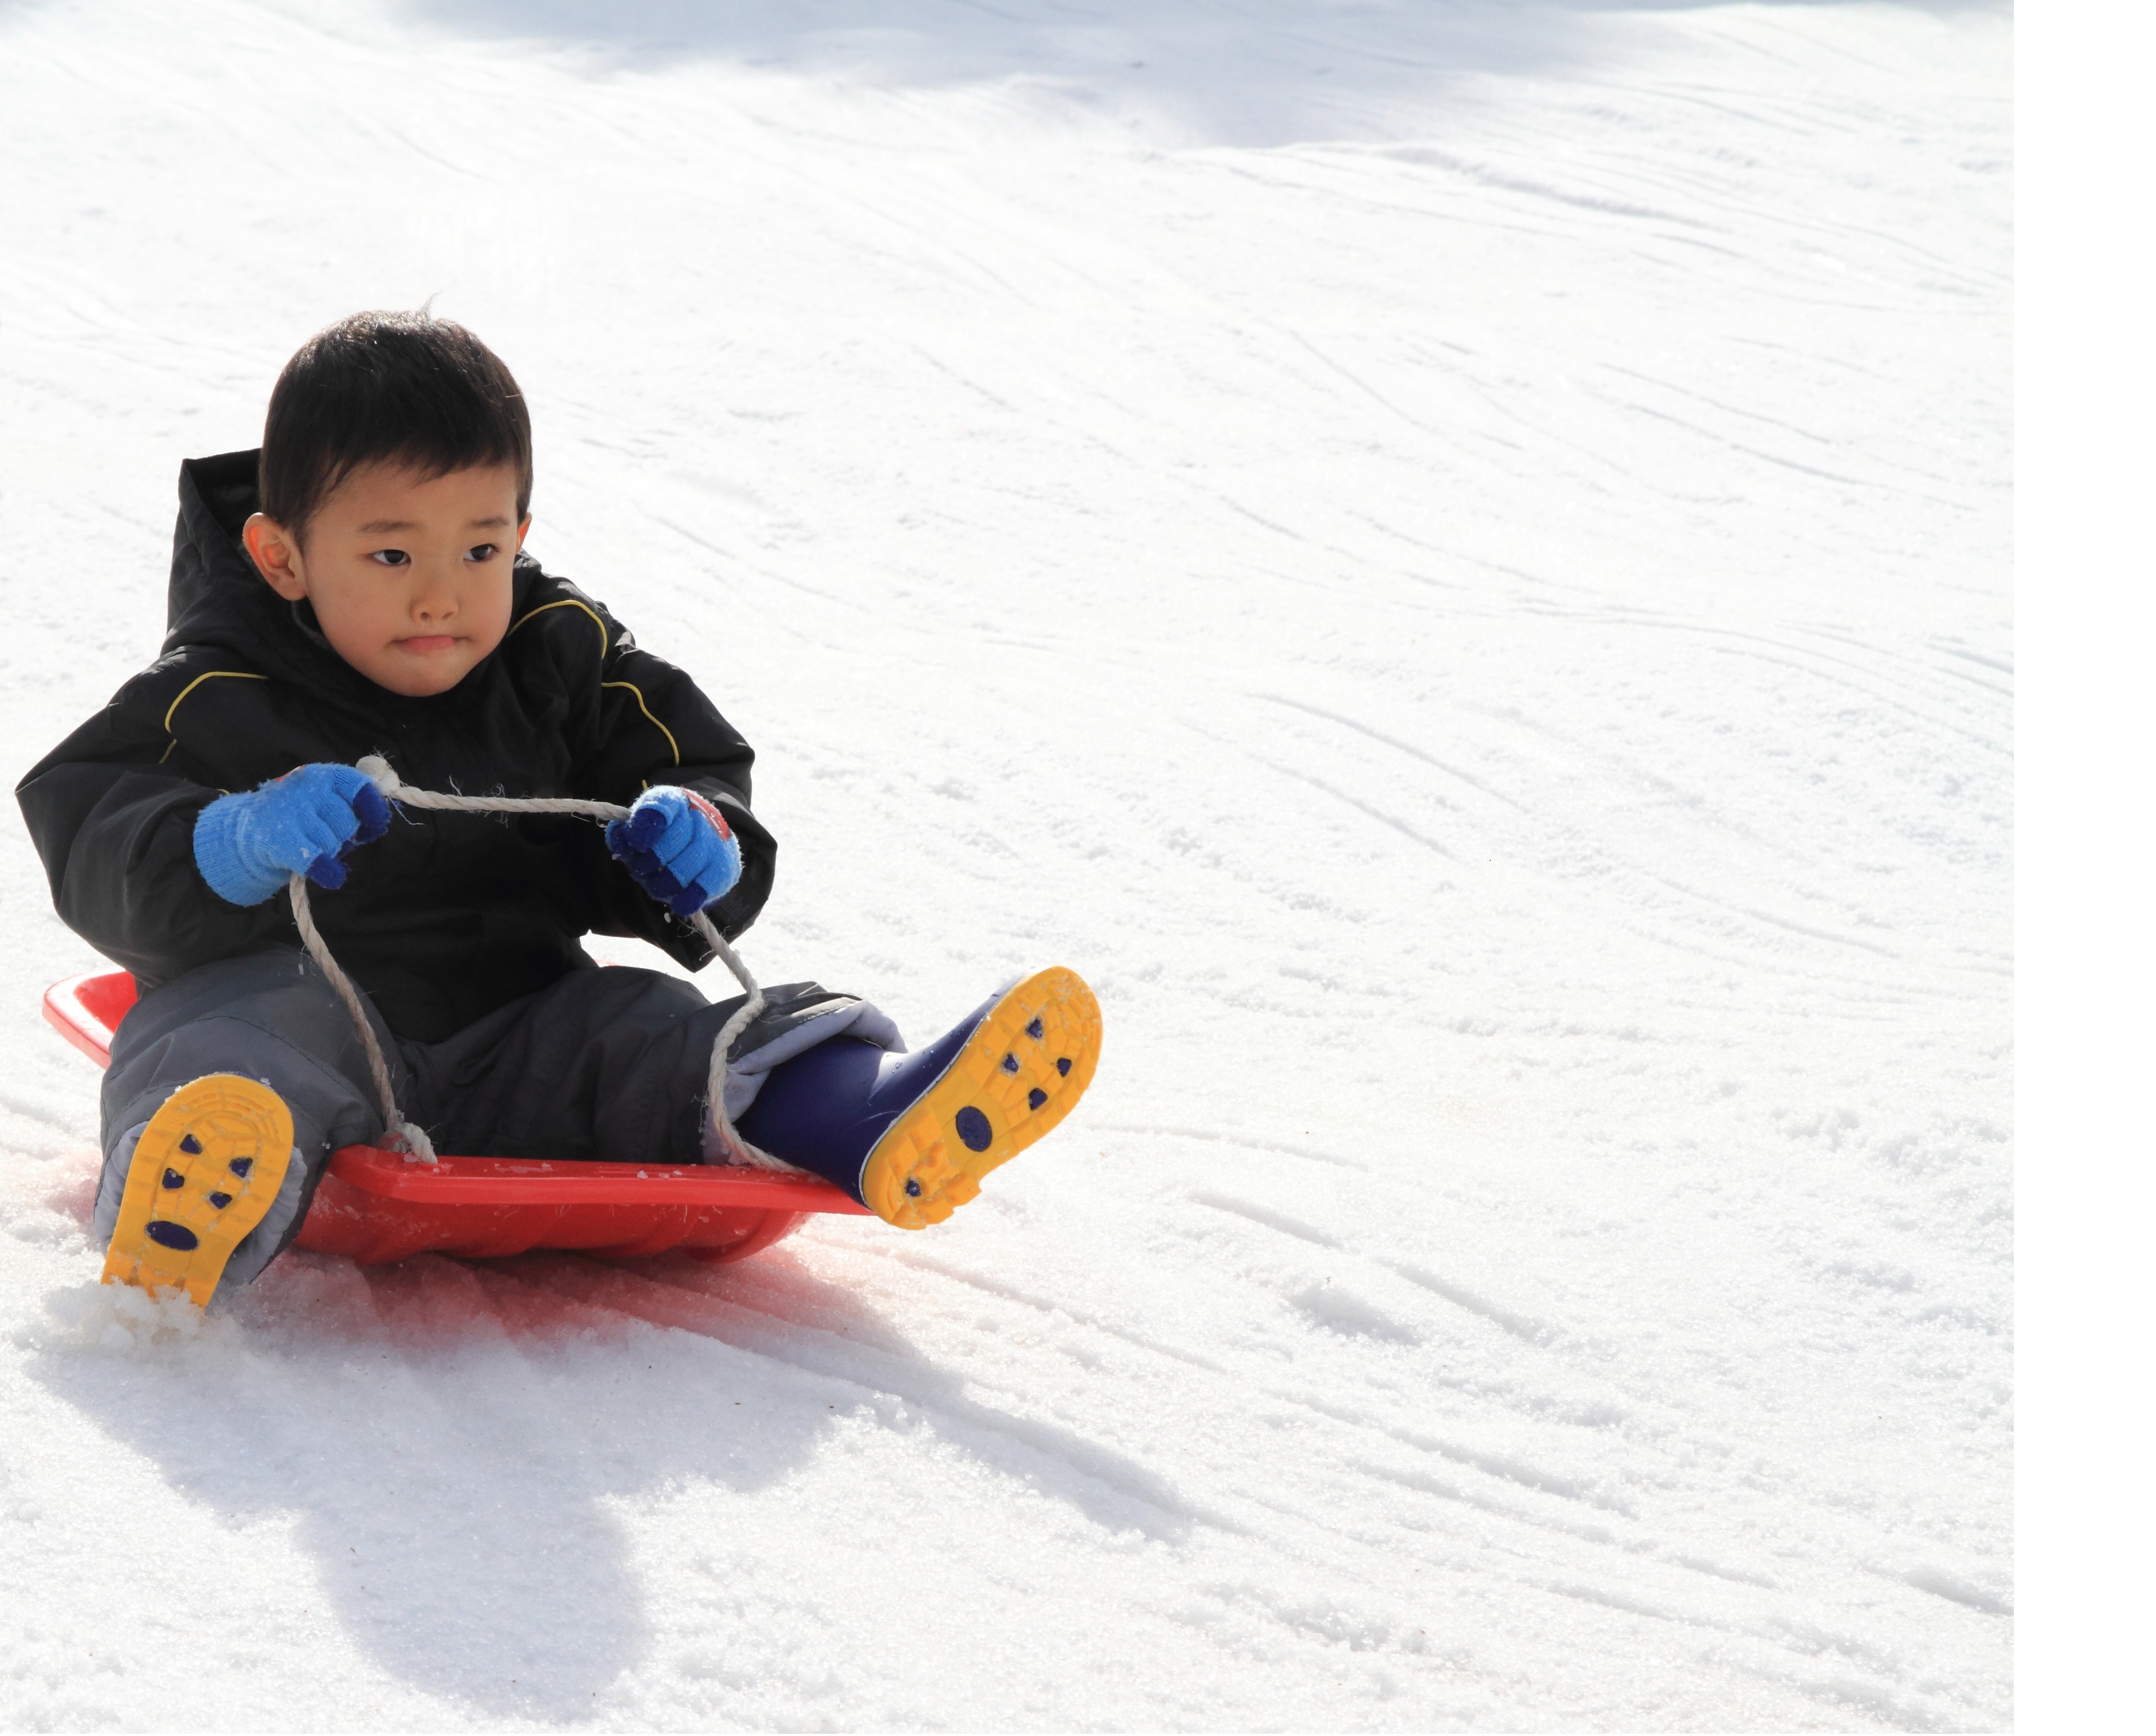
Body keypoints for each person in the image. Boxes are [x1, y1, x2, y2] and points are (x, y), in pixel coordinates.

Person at [16, 310, 1100, 1306]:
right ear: (282, 555)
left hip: (522, 1019)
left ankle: (868, 1110)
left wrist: (698, 836)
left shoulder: (558, 654)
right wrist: (230, 843)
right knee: (222, 1048)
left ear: (521, 527)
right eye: (392, 553)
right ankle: (192, 1202)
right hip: (301, 1011)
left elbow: (689, 757)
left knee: (656, 1033)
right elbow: (92, 818)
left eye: (480, 549)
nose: (441, 593)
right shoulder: (217, 686)